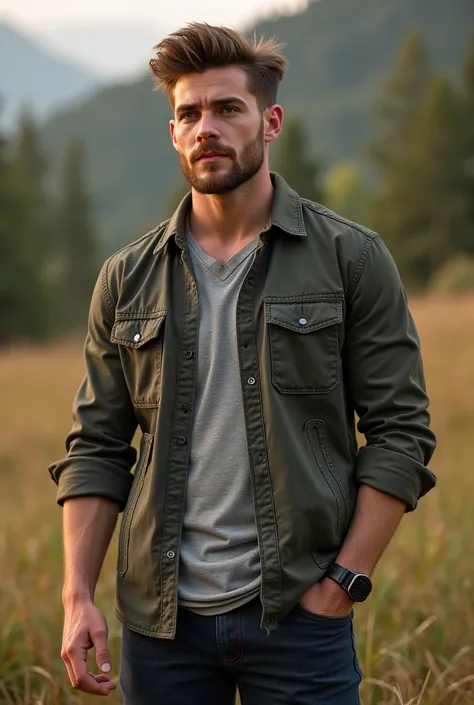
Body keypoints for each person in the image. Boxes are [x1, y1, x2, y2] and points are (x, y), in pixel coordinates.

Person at [49, 22, 437, 705]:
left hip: (298, 618)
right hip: (160, 630)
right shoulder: (127, 277)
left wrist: (342, 584)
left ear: (270, 120)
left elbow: (402, 432)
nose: (207, 128)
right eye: (189, 113)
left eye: (228, 108)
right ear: (173, 132)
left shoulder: (351, 258)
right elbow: (97, 447)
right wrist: (77, 596)